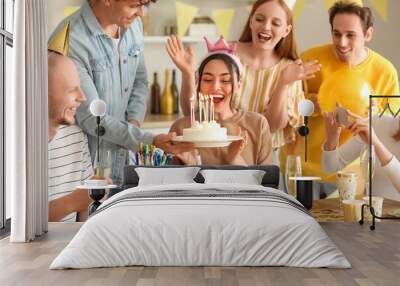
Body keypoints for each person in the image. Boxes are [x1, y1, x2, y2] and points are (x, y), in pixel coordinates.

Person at [48, 0, 193, 184]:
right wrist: (149, 140)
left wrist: (132, 126)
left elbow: (140, 82)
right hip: (82, 168)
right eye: (135, 5)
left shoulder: (133, 26)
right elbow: (92, 118)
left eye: (145, 5)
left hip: (120, 161)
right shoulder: (71, 39)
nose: (141, 13)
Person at [279, 1, 400, 197]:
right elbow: (283, 110)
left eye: (350, 35)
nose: (342, 42)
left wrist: (375, 117)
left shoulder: (385, 72)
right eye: (337, 34)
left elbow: (390, 132)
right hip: (300, 170)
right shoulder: (311, 60)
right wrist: (310, 104)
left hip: (351, 175)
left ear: (368, 34)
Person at [175, 0, 320, 150]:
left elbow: (271, 126)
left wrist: (283, 84)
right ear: (251, 21)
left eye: (276, 23)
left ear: (286, 30)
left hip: (262, 157)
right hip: (217, 153)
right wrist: (187, 74)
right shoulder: (226, 53)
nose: (266, 26)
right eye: (259, 19)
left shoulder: (289, 69)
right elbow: (192, 112)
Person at [169, 38, 272, 165]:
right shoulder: (181, 128)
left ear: (238, 85)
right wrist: (192, 164)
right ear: (198, 83)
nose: (215, 87)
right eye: (207, 80)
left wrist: (234, 159)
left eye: (225, 80)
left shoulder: (258, 125)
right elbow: (174, 183)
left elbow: (267, 182)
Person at [48, 52, 92, 222]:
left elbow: (85, 213)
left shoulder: (77, 137)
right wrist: (73, 202)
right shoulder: (12, 145)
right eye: (72, 90)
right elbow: (15, 223)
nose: (82, 97)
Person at [322, 110, 400, 201]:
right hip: (371, 211)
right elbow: (331, 167)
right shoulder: (377, 122)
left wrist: (376, 144)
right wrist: (332, 138)